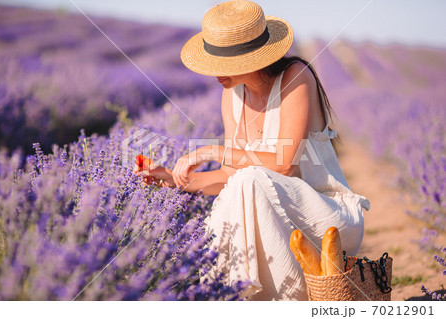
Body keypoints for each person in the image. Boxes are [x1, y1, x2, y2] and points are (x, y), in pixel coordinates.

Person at [136, 0, 370, 300]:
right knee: (244, 182)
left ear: (250, 59)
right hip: (276, 224)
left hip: (327, 223)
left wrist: (211, 151)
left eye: (221, 65)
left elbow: (284, 165)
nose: (214, 74)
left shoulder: (296, 77)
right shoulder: (231, 96)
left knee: (250, 180)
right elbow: (230, 177)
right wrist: (172, 178)